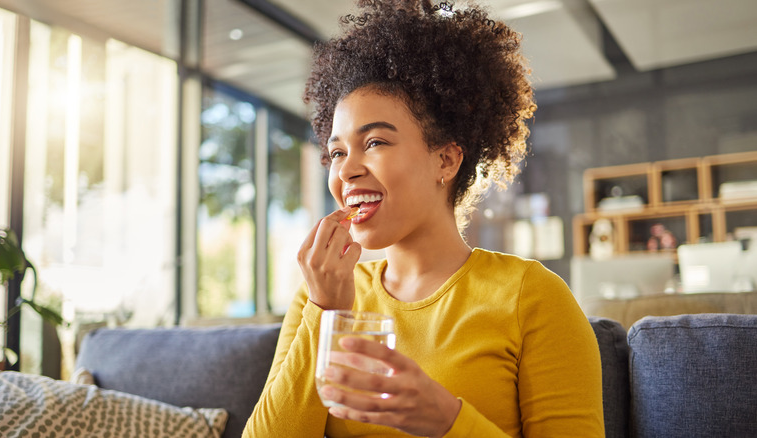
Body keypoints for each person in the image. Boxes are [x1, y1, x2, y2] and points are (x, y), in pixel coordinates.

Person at [243, 0, 604, 436]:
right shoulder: (322, 296)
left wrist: (445, 419)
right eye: (336, 152)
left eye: (374, 142)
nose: (346, 169)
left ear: (446, 160)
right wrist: (325, 312)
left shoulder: (532, 297)